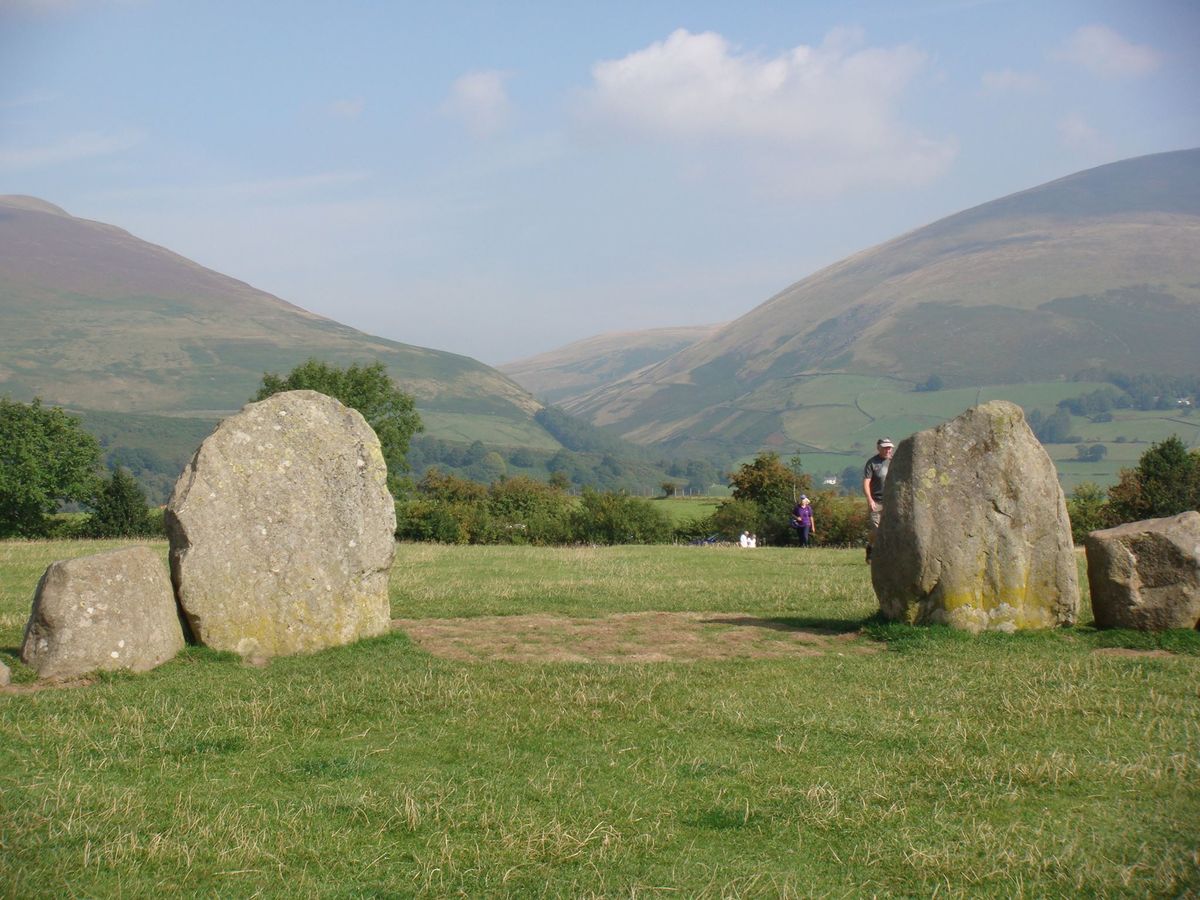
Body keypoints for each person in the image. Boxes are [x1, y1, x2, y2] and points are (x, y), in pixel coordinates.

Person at [862, 438, 894, 562]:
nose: (888, 450)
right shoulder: (872, 463)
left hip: (891, 501)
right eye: (885, 447)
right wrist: (870, 500)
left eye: (890, 447)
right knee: (876, 530)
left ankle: (885, 555)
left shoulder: (894, 461)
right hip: (876, 501)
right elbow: (866, 482)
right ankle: (871, 547)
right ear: (878, 448)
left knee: (890, 529)